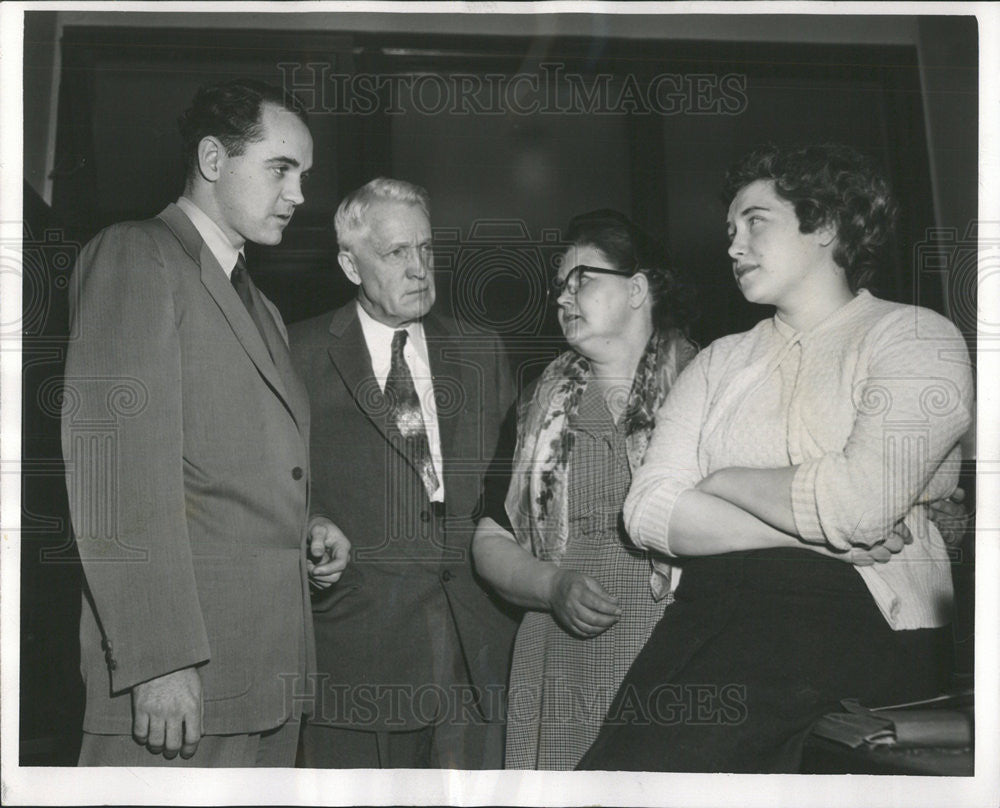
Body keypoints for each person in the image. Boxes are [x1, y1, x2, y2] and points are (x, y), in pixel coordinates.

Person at [578, 143, 974, 772]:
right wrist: (817, 535)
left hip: (854, 614)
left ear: (826, 225)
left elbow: (859, 505)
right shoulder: (717, 361)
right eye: (730, 231)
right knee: (609, 777)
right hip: (705, 615)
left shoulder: (915, 336)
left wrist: (720, 479)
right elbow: (649, 512)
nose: (734, 246)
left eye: (755, 222)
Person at [62, 79, 348, 767]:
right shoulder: (136, 254)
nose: (299, 195)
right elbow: (113, 472)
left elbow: (232, 471)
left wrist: (306, 523)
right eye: (281, 169)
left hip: (268, 679)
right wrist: (158, 660)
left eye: (304, 176)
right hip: (179, 684)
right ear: (214, 160)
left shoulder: (265, 309)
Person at [288, 177, 520, 769]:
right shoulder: (295, 354)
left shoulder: (482, 350)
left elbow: (508, 492)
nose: (419, 269)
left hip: (478, 658)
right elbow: (271, 485)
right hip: (359, 659)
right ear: (349, 263)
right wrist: (311, 521)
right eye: (396, 253)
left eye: (427, 250)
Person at [471, 210, 699, 769]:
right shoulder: (536, 406)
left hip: (675, 646)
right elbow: (489, 539)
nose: (564, 297)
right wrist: (551, 586)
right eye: (559, 286)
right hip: (558, 654)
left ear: (638, 288)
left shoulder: (708, 384)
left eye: (584, 279)